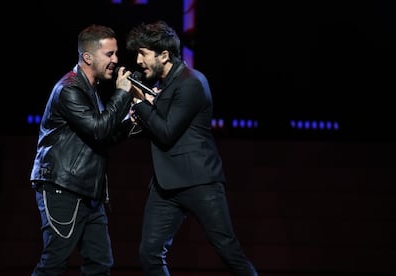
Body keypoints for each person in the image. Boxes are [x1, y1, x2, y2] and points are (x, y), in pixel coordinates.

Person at [126, 20, 259, 276]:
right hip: (166, 186)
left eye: (143, 53)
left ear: (164, 55)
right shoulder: (165, 84)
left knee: (228, 251)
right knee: (149, 253)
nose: (138, 61)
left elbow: (166, 133)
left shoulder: (191, 83)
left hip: (199, 182)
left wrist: (140, 102)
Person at [30, 24, 142, 275]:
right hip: (63, 188)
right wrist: (123, 93)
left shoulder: (89, 91)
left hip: (89, 192)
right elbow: (99, 130)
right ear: (87, 56)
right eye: (109, 54)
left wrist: (131, 122)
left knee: (100, 264)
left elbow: (105, 135)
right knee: (54, 264)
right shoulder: (69, 89)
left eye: (116, 54)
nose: (116, 60)